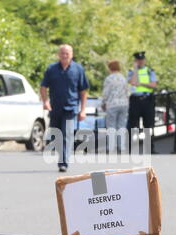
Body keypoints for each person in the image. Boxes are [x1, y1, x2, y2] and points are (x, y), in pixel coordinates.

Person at [40, 44, 90, 172]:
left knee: (67, 135)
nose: (64, 55)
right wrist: (45, 101)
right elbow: (43, 86)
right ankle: (61, 156)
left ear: (71, 55)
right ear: (58, 54)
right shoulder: (52, 69)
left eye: (67, 53)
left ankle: (63, 163)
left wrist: (83, 109)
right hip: (55, 108)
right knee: (56, 136)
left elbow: (83, 91)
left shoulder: (78, 69)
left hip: (71, 108)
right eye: (62, 53)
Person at [127, 51, 158, 153]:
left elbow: (153, 85)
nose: (140, 62)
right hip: (135, 100)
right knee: (133, 125)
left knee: (148, 125)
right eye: (138, 60)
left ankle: (149, 148)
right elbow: (132, 82)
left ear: (144, 60)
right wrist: (135, 69)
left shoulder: (149, 71)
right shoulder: (131, 71)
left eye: (141, 60)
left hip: (147, 100)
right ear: (135, 61)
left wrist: (141, 83)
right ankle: (132, 148)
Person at [101, 60, 129, 152]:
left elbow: (106, 93)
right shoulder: (123, 78)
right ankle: (122, 147)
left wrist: (103, 103)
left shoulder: (109, 78)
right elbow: (127, 91)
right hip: (124, 104)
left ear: (110, 68)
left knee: (111, 126)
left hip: (112, 104)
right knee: (121, 125)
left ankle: (111, 147)